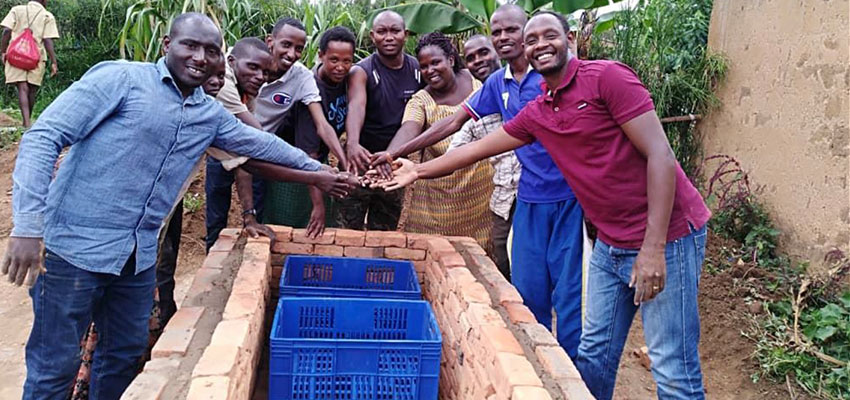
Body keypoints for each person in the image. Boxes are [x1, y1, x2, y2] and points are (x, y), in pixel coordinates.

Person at [0, 13, 337, 398]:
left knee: (123, 357)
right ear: (166, 45)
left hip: (137, 260)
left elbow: (262, 145)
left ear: (220, 60)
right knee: (53, 369)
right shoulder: (121, 79)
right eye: (189, 45)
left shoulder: (208, 114)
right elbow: (44, 136)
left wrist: (321, 172)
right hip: (73, 252)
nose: (200, 57)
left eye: (211, 51)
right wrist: (27, 226)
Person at [379, 11, 710, 400]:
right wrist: (416, 172)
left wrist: (653, 248)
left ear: (570, 38)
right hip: (611, 242)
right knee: (593, 356)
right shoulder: (538, 111)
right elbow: (474, 148)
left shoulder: (607, 77)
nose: (540, 45)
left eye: (548, 36)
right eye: (532, 40)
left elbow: (660, 154)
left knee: (671, 366)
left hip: (667, 236)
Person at [371, 4, 584, 358]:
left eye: (511, 31)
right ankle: (538, 369)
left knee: (570, 295)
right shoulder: (497, 84)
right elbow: (455, 124)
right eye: (496, 32)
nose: (503, 38)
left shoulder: (553, 75)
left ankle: (576, 372)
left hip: (570, 199)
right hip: (528, 197)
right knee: (528, 294)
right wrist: (397, 155)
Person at [385, 32, 493, 248]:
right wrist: (389, 156)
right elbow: (409, 128)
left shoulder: (477, 82)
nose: (430, 70)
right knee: (430, 253)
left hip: (480, 196)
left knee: (478, 256)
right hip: (437, 201)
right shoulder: (421, 100)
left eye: (435, 62)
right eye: (424, 66)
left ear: (451, 60)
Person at [270, 26, 356, 238]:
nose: (341, 67)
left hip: (319, 163)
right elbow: (308, 154)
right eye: (334, 60)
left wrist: (344, 162)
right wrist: (318, 205)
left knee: (319, 231)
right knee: (291, 227)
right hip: (291, 165)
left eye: (347, 61)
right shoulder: (310, 90)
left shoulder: (348, 82)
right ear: (320, 56)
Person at [340, 10, 422, 230]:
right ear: (372, 36)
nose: (388, 37)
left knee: (384, 230)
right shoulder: (362, 70)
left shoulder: (416, 69)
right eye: (382, 31)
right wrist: (353, 144)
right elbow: (357, 105)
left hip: (394, 163)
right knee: (347, 229)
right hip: (360, 159)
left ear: (405, 35)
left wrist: (391, 156)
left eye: (395, 31)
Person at [450, 34, 518, 280]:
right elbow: (454, 142)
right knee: (502, 257)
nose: (478, 61)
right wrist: (407, 167)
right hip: (503, 199)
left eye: (483, 52)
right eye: (470, 58)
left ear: (497, 51)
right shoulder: (479, 104)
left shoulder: (528, 85)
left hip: (537, 195)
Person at [204, 37, 276, 250]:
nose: (260, 77)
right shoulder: (223, 84)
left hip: (227, 151)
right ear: (231, 61)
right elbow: (258, 137)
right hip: (200, 156)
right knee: (216, 214)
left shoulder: (247, 86)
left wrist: (248, 215)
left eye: (264, 72)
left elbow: (245, 148)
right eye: (252, 67)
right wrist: (312, 171)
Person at [0, 0, 59, 128]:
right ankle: (27, 122)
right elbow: (47, 39)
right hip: (36, 58)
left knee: (22, 87)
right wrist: (54, 61)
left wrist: (3, 51)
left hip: (16, 55)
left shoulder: (17, 10)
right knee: (32, 89)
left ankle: (25, 122)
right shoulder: (47, 15)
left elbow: (6, 31)